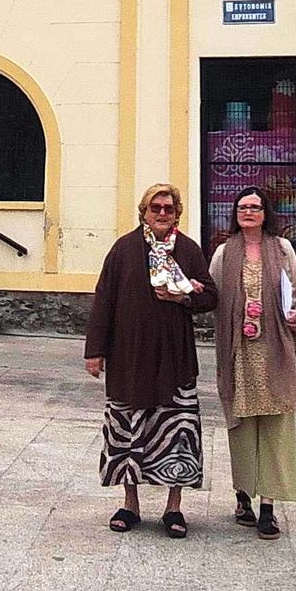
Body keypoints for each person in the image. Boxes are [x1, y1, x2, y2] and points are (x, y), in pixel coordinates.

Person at [83, 182, 218, 537]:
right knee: (128, 430)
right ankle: (131, 505)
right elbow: (103, 300)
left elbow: (211, 297)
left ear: (177, 214)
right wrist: (95, 350)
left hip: (175, 359)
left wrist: (185, 297)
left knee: (177, 431)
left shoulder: (188, 250)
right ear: (143, 211)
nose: (162, 213)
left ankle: (174, 508)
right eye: (155, 207)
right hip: (129, 355)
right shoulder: (124, 249)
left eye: (168, 208)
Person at [208, 187, 296, 539]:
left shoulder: (281, 249)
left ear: (266, 213)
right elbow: (213, 295)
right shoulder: (224, 252)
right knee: (242, 428)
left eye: (254, 207)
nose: (248, 212)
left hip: (274, 349)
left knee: (275, 428)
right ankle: (242, 497)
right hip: (238, 352)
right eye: (241, 207)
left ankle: (268, 506)